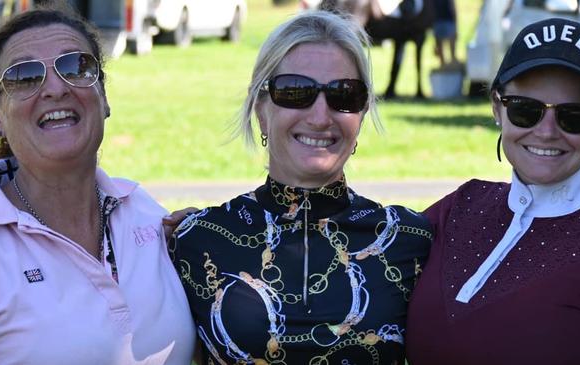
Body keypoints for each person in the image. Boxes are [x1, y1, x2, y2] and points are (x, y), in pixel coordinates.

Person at [170, 10, 432, 364]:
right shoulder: (195, 241)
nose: (321, 117)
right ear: (261, 108)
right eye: (296, 92)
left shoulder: (412, 242)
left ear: (362, 112)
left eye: (344, 94)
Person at [0, 6, 194, 364]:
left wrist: (204, 244)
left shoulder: (146, 214)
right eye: (25, 76)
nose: (55, 88)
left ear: (103, 98)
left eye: (76, 67)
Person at [406, 18, 580, 364]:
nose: (547, 131)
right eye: (526, 110)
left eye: (573, 116)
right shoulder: (460, 208)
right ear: (497, 107)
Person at [433, 0, 457, 67]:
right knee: (441, 46)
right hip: (441, 21)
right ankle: (446, 63)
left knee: (446, 44)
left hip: (443, 21)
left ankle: (448, 63)